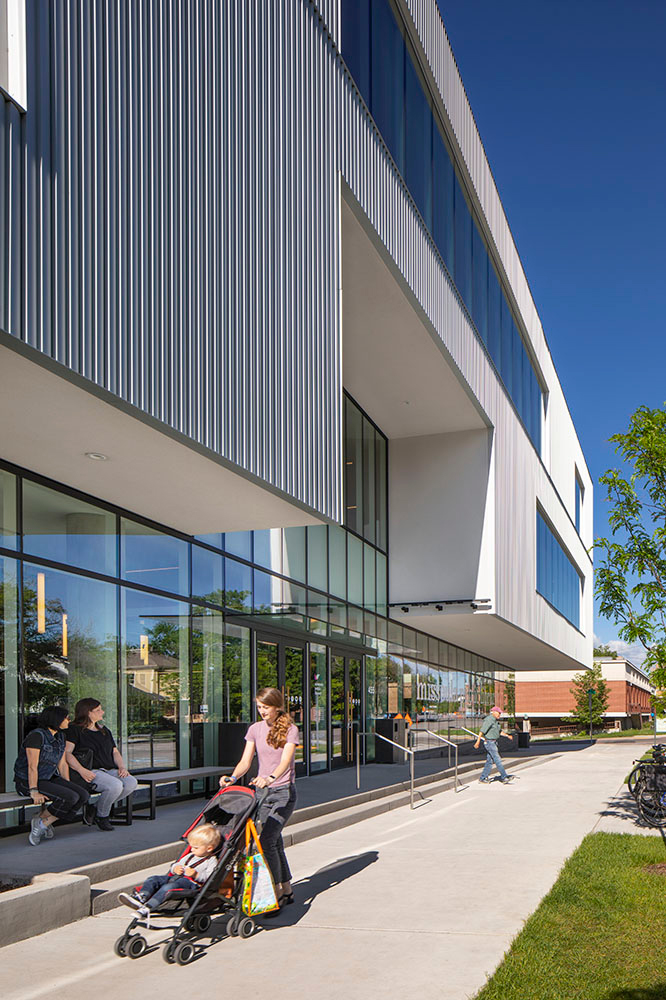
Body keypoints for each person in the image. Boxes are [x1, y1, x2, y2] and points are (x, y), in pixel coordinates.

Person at [220, 687, 298, 910]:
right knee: (275, 842)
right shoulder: (255, 729)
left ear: (277, 707)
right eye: (259, 707)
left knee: (266, 841)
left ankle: (275, 891)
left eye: (266, 707)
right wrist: (233, 777)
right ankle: (287, 889)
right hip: (263, 794)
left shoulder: (291, 729)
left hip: (283, 793)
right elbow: (246, 761)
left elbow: (285, 761)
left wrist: (270, 778)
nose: (262, 711)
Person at [14, 706, 90, 846]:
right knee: (70, 797)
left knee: (83, 795)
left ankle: (42, 820)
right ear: (56, 719)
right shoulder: (36, 736)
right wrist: (34, 791)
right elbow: (32, 766)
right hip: (28, 781)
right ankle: (41, 825)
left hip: (49, 777)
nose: (69, 720)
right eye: (66, 718)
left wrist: (68, 785)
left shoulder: (60, 736)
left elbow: (62, 764)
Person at [65, 698, 138, 831]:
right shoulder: (74, 730)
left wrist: (122, 767)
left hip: (109, 769)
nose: (102, 712)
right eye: (98, 710)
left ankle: (94, 808)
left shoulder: (104, 731)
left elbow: (115, 752)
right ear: (88, 712)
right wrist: (82, 770)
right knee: (115, 785)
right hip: (90, 771)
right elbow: (67, 753)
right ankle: (102, 816)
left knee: (131, 782)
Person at [118, 823, 221, 915]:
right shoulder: (190, 856)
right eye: (191, 846)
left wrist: (196, 875)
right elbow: (176, 864)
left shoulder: (211, 861)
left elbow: (211, 877)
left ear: (209, 848)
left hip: (191, 883)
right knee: (153, 879)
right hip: (176, 877)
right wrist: (175, 868)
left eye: (196, 847)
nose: (192, 849)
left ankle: (148, 907)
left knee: (168, 888)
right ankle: (142, 897)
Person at [474, 706, 515, 784]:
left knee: (489, 761)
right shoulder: (489, 720)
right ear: (493, 712)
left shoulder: (496, 721)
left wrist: (507, 736)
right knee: (497, 759)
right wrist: (478, 741)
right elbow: (482, 731)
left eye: (500, 713)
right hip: (489, 742)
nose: (500, 714)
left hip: (494, 742)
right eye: (498, 713)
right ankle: (504, 777)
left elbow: (499, 732)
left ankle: (482, 778)